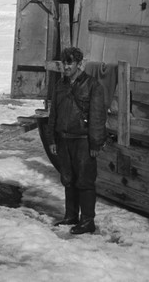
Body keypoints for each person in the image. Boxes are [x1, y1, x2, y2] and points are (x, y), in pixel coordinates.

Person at [46, 46, 107, 235]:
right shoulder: (60, 85)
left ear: (79, 64)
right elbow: (53, 113)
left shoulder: (93, 85)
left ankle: (87, 221)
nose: (66, 67)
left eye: (70, 63)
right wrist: (52, 139)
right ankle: (71, 216)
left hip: (83, 140)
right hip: (63, 139)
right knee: (68, 179)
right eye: (64, 63)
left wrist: (95, 143)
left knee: (85, 181)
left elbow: (97, 117)